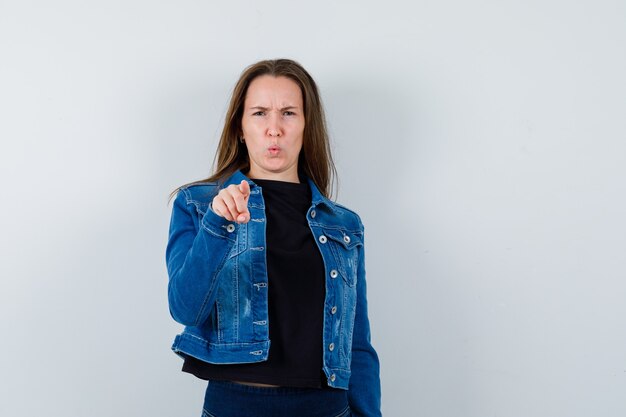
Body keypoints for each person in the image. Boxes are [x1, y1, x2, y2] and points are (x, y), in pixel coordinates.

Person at [165, 58, 381, 417]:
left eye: (289, 113)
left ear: (306, 125)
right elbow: (185, 307)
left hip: (327, 409)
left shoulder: (343, 225)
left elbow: (357, 346)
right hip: (235, 407)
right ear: (240, 127)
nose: (274, 129)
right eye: (260, 113)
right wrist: (219, 226)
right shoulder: (199, 205)